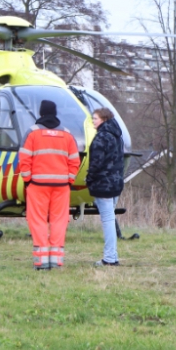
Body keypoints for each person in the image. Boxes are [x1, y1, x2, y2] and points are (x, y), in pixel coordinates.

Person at [18, 100, 81, 270]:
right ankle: (56, 260)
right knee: (59, 221)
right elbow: (75, 161)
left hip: (37, 185)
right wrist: (69, 180)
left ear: (41, 113)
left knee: (37, 220)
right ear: (55, 113)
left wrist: (28, 180)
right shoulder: (67, 134)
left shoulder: (32, 133)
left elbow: (24, 159)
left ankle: (41, 261)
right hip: (61, 186)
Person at [86, 108, 125, 266]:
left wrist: (89, 179)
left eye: (95, 118)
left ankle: (109, 257)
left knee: (107, 220)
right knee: (110, 218)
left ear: (103, 119)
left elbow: (96, 162)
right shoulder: (117, 136)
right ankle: (112, 256)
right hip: (116, 182)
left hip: (103, 183)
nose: (93, 121)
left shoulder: (102, 137)